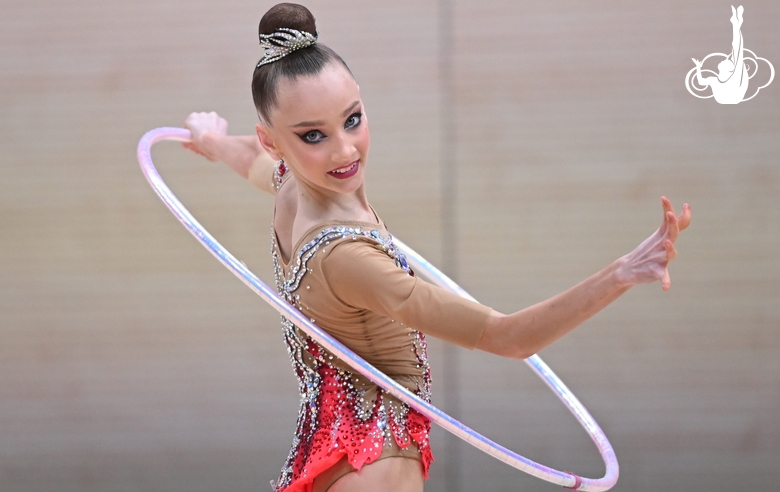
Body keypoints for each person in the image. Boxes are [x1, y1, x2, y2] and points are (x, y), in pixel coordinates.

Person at [183, 4, 691, 492]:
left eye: (352, 119)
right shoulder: (349, 260)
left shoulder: (293, 189)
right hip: (376, 461)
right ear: (276, 140)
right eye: (313, 135)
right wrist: (623, 272)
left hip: (328, 451)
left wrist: (214, 143)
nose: (344, 149)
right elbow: (508, 337)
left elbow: (255, 163)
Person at [692, 5, 748, 104]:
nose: (724, 59)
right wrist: (698, 67)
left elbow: (737, 49)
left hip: (732, 96)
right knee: (737, 52)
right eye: (728, 60)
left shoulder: (733, 77)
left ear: (729, 69)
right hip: (729, 97)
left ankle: (736, 23)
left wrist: (736, 25)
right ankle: (736, 23)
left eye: (727, 61)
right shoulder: (715, 80)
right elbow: (701, 82)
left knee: (737, 51)